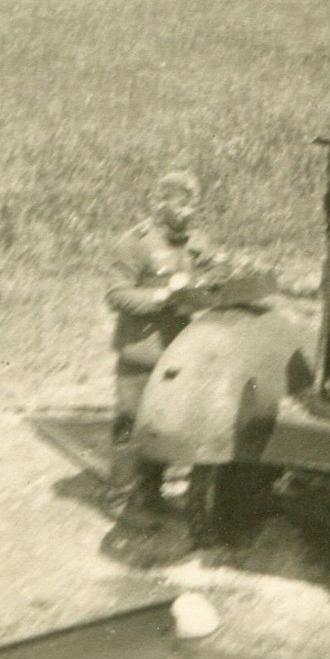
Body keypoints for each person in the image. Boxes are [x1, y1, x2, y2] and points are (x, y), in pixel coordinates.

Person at [105, 170, 218, 521]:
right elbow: (116, 294)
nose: (189, 212)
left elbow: (215, 272)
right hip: (142, 349)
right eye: (182, 204)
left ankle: (151, 494)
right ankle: (122, 501)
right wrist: (162, 297)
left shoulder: (196, 242)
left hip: (179, 349)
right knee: (131, 423)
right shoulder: (136, 243)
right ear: (161, 203)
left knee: (163, 423)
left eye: (193, 204)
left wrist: (208, 282)